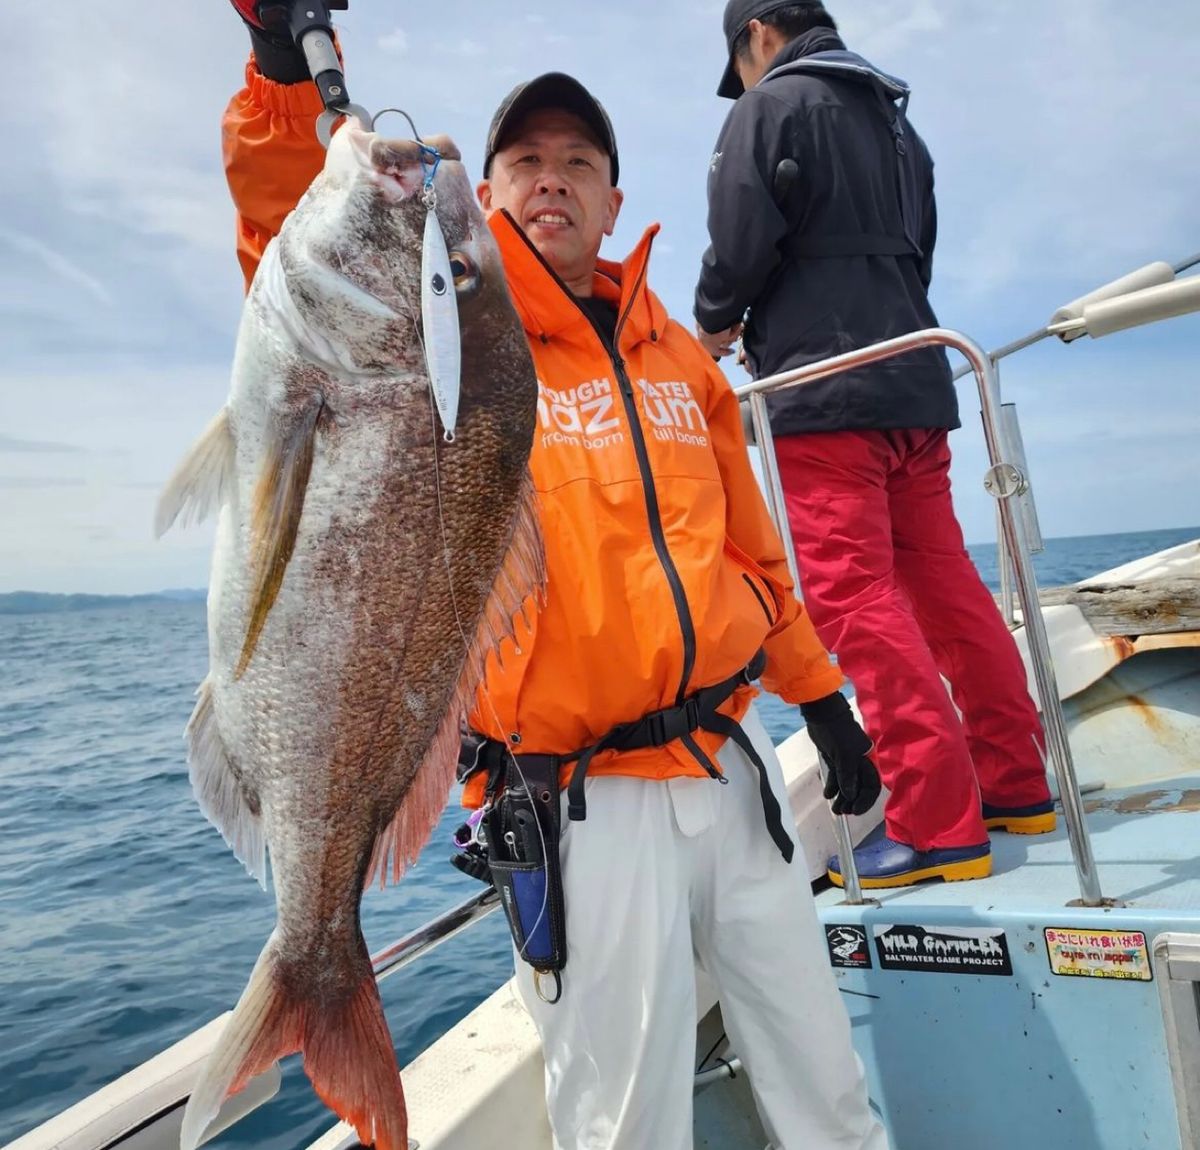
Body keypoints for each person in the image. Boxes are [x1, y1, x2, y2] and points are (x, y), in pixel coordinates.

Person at [221, 4, 890, 1148]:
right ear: (482, 196)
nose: (553, 181)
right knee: (628, 1124)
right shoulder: (464, 346)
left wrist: (821, 697)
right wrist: (286, 74)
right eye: (525, 162)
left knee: (829, 1092)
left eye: (579, 162)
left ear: (615, 200)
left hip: (736, 782)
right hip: (582, 809)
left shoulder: (679, 352)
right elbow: (297, 250)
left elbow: (751, 551)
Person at [694, 0, 1056, 890]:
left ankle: (938, 827)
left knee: (854, 601)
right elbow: (915, 257)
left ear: (759, 39)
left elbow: (739, 244)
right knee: (946, 588)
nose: (740, 84)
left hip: (825, 398)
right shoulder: (902, 126)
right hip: (915, 381)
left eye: (739, 66)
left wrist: (712, 327)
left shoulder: (766, 108)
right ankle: (1016, 785)